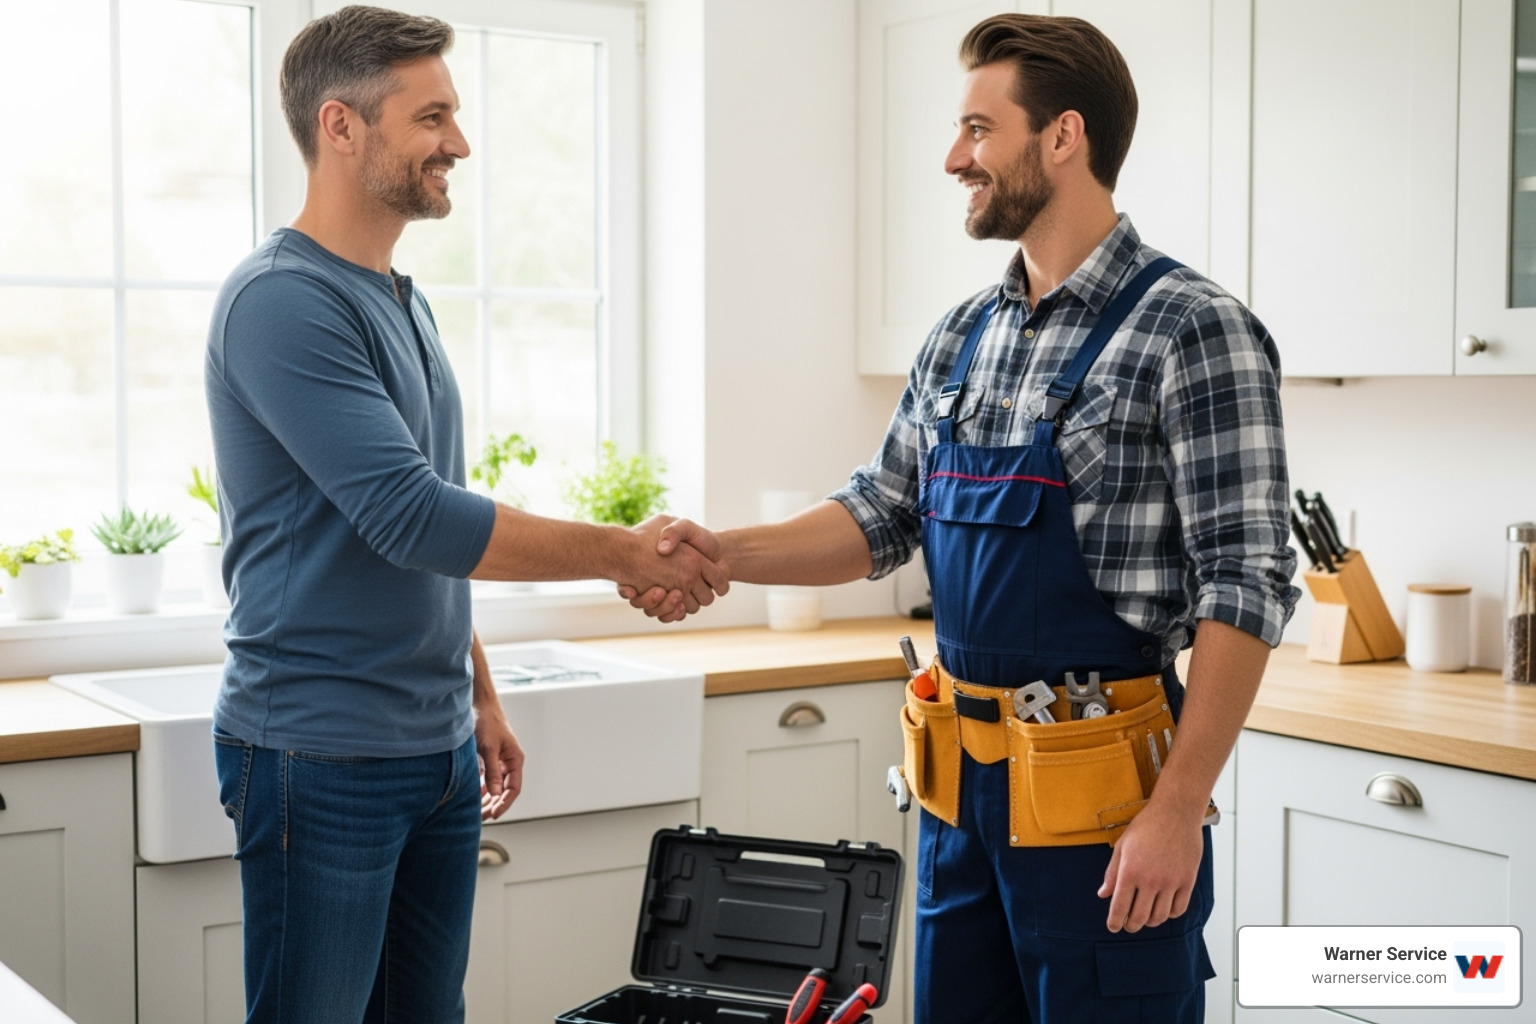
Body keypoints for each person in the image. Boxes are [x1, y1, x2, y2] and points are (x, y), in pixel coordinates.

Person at [625, 13, 1299, 1023]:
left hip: (1107, 809)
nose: (954, 158)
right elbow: (880, 515)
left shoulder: (1194, 331)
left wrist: (1177, 809)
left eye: (979, 130)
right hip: (957, 806)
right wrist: (720, 553)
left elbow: (1246, 583)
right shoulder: (961, 337)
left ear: (1062, 137)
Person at [204, 7, 724, 1022]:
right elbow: (413, 516)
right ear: (342, 126)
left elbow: (409, 525)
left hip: (432, 749)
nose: (460, 143)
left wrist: (475, 691)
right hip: (320, 750)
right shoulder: (280, 301)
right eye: (431, 116)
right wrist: (626, 549)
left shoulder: (399, 298)